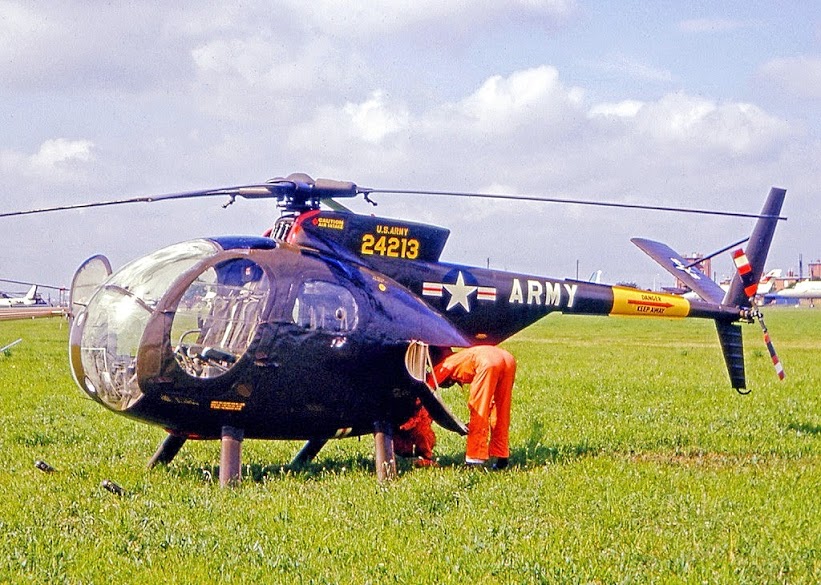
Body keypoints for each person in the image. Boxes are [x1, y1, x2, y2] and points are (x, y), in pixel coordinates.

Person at [430, 345, 516, 470]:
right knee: (501, 409)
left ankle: (474, 460)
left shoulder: (444, 364)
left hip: (487, 362)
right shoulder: (460, 357)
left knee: (478, 409)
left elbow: (426, 389)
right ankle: (502, 458)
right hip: (508, 359)